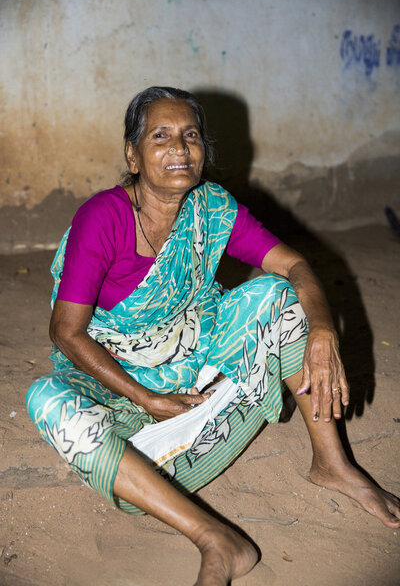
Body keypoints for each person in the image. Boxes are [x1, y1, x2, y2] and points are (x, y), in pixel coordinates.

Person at [26, 86, 400, 586]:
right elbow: (66, 332)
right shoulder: (104, 217)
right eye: (160, 136)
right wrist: (148, 398)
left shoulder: (213, 208)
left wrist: (324, 330)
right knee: (46, 399)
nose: (180, 149)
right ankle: (214, 537)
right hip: (119, 386)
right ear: (132, 155)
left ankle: (331, 463)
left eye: (191, 136)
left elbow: (293, 265)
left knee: (277, 294)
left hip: (192, 370)